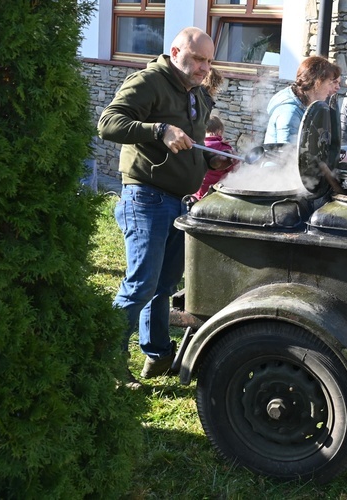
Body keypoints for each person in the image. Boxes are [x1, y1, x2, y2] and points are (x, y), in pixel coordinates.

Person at [97, 27, 231, 387]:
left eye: (209, 60)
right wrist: (159, 130)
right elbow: (107, 123)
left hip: (180, 202)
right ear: (175, 52)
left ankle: (157, 354)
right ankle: (105, 358)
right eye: (198, 58)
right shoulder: (149, 82)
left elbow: (194, 148)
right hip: (146, 198)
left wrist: (211, 163)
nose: (204, 67)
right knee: (140, 284)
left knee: (164, 286)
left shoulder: (198, 94)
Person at [265, 56, 341, 145]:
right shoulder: (290, 112)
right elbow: (287, 154)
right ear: (317, 83)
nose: (333, 88)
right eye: (330, 83)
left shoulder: (305, 105)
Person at [193, 116, 239, 200]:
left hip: (196, 190)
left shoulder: (197, 144)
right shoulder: (224, 149)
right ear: (219, 132)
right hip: (215, 194)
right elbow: (235, 170)